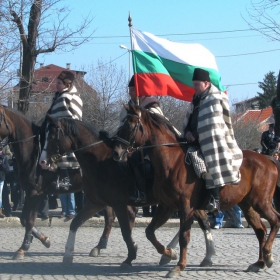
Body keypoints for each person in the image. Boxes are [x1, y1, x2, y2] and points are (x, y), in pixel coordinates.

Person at [182, 68, 243, 213]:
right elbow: (190, 119)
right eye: (194, 84)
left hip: (211, 140)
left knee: (210, 161)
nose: (194, 87)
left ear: (206, 83)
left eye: (197, 84)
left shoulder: (214, 98)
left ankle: (214, 198)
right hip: (192, 139)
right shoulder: (196, 100)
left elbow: (213, 123)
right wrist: (187, 132)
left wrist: (196, 134)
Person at [119, 75, 165, 203]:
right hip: (130, 142)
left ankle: (142, 192)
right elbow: (123, 127)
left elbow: (157, 126)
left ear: (140, 90)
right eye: (129, 90)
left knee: (135, 160)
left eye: (133, 90)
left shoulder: (151, 103)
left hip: (149, 143)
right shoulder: (129, 106)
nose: (130, 93)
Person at [42, 70, 83, 190]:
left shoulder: (66, 97)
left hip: (66, 135)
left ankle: (65, 178)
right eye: (57, 82)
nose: (56, 85)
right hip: (57, 132)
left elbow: (73, 119)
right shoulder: (58, 96)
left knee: (62, 152)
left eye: (59, 83)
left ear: (67, 84)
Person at [0, 145, 10, 218]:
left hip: (1, 178)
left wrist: (1, 164)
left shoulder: (4, 158)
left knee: (0, 196)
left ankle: (0, 211)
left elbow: (6, 169)